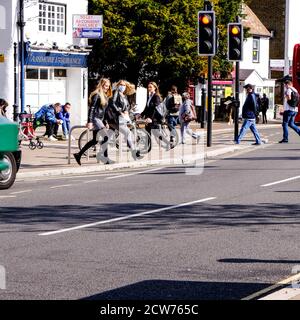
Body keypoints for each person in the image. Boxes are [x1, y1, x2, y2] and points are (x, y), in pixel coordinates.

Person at [73, 78, 113, 165]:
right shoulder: (97, 95)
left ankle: (78, 155)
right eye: (105, 85)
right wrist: (89, 121)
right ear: (101, 85)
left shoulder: (105, 96)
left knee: (95, 140)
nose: (107, 87)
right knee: (105, 137)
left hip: (100, 119)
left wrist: (105, 122)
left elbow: (104, 111)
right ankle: (105, 158)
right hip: (95, 118)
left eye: (108, 86)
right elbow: (92, 108)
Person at [106, 80, 142, 160]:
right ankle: (134, 152)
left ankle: (102, 150)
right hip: (115, 118)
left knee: (109, 136)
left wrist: (126, 111)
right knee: (127, 132)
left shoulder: (124, 95)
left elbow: (125, 106)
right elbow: (112, 103)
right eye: (121, 84)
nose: (122, 86)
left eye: (124, 85)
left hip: (120, 119)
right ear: (118, 85)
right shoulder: (115, 92)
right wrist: (120, 112)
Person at [140, 81, 171, 149]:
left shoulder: (156, 96)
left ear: (155, 88)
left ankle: (168, 143)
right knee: (147, 132)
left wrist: (151, 118)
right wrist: (141, 114)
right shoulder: (149, 96)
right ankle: (147, 147)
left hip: (155, 118)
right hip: (149, 117)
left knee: (156, 133)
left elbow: (155, 109)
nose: (149, 88)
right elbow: (147, 107)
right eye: (148, 87)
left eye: (151, 87)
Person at [279, 79, 300, 143]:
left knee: (284, 124)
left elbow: (289, 98)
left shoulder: (288, 90)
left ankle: (285, 138)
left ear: (287, 84)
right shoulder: (295, 90)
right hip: (295, 110)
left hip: (289, 110)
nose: (285, 86)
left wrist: (286, 96)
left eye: (285, 85)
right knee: (291, 124)